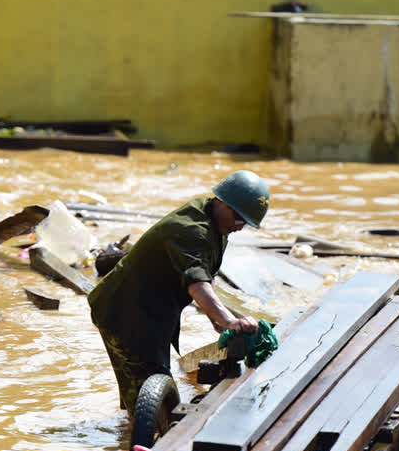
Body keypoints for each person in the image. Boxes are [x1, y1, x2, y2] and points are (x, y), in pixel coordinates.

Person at [88, 170, 270, 417]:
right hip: (125, 313)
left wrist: (216, 319)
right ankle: (142, 449)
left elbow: (206, 274)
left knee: (146, 390)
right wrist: (228, 320)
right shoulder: (193, 230)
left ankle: (131, 429)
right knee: (152, 393)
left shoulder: (217, 225)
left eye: (245, 223)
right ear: (222, 202)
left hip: (150, 309)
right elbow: (196, 284)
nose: (239, 227)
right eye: (238, 217)